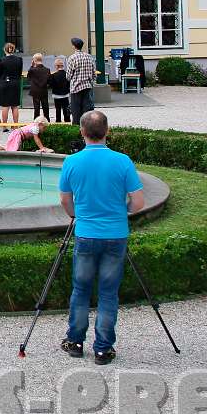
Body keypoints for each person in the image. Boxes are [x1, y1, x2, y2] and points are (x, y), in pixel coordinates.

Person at [59, 110, 144, 366]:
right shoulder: (123, 161)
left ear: (82, 132)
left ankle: (75, 341)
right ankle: (103, 349)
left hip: (86, 232)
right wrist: (121, 211)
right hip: (116, 234)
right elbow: (138, 202)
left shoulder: (71, 162)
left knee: (81, 289)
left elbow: (65, 200)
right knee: (109, 293)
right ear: (107, 132)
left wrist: (77, 215)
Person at [65, 37, 97, 123]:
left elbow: (68, 76)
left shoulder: (72, 58)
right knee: (87, 112)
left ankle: (76, 132)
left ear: (74, 46)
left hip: (76, 88)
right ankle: (87, 131)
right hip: (87, 87)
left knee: (76, 113)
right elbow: (94, 73)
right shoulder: (89, 57)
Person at [0, 43, 24, 123]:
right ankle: (15, 124)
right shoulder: (19, 59)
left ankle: (4, 126)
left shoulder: (1, 60)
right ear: (13, 49)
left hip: (4, 83)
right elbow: (19, 72)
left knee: (5, 106)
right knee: (15, 106)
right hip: (15, 83)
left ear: (5, 50)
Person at [25, 52, 53, 119]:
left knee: (36, 107)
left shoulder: (32, 70)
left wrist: (31, 66)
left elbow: (28, 78)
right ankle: (47, 119)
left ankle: (36, 120)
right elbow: (49, 81)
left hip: (35, 90)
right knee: (45, 106)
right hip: (43, 90)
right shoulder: (47, 70)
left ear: (34, 60)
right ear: (41, 60)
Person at [49, 57, 71, 122]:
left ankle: (58, 120)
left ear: (56, 66)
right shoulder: (67, 74)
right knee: (66, 108)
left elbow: (51, 85)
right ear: (62, 66)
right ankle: (67, 120)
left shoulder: (53, 75)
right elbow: (69, 83)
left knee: (58, 109)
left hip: (56, 95)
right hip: (65, 94)